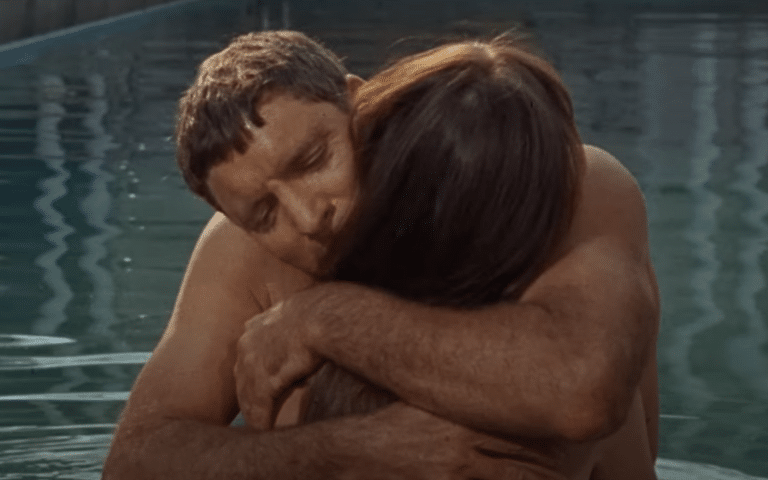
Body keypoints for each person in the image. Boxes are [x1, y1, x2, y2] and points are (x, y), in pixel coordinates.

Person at [103, 31, 660, 479]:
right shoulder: (240, 251)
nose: (308, 216)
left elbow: (584, 389)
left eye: (313, 160)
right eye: (264, 214)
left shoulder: (552, 182)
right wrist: (347, 450)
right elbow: (134, 463)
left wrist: (322, 319)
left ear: (357, 102)